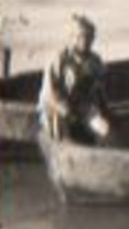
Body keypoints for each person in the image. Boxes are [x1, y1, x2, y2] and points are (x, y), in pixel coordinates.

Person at [38, 14, 113, 144]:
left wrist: (106, 112)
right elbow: (50, 94)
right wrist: (66, 111)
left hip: (83, 106)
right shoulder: (59, 58)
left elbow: (100, 92)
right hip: (55, 109)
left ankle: (99, 151)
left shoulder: (95, 61)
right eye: (81, 36)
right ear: (72, 37)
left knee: (105, 129)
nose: (85, 40)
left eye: (90, 36)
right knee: (60, 130)